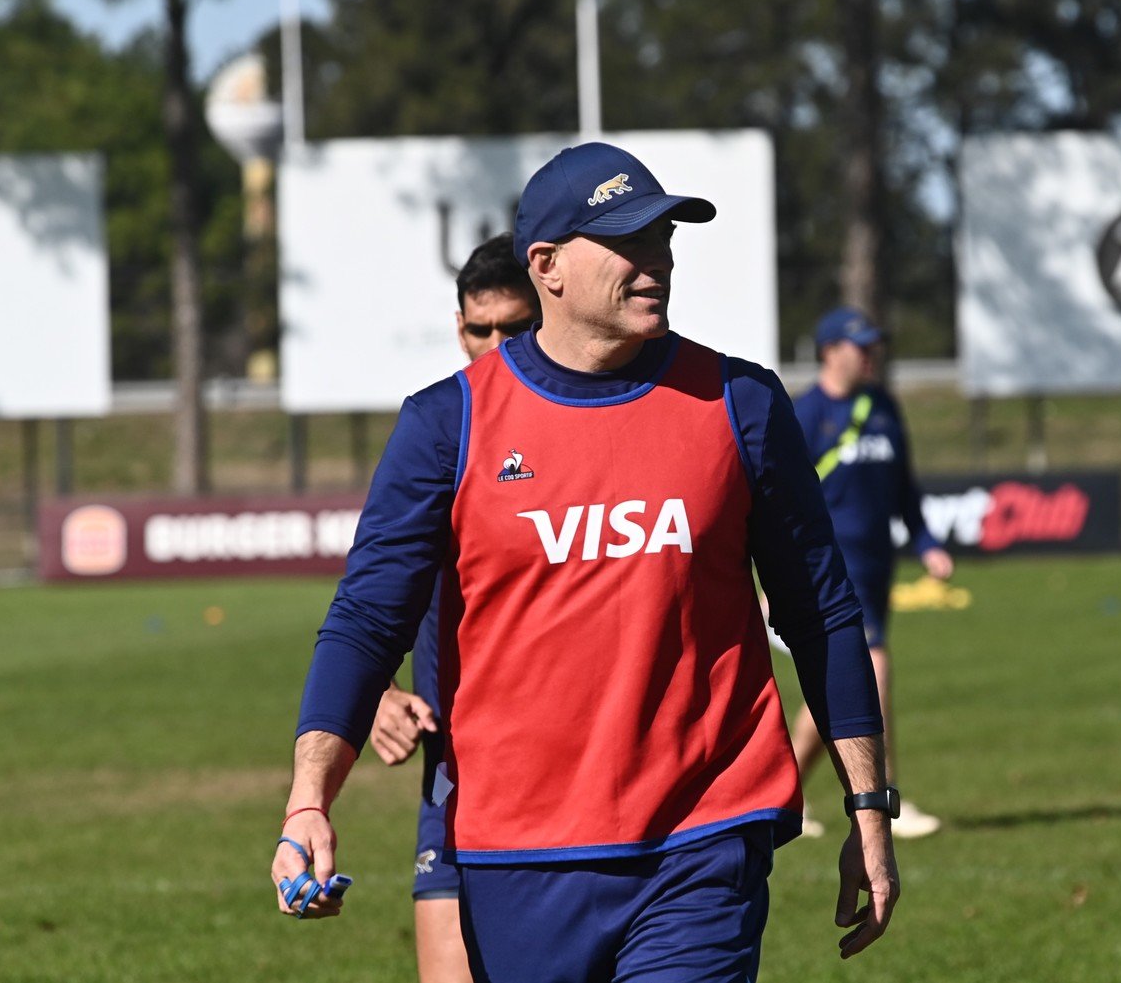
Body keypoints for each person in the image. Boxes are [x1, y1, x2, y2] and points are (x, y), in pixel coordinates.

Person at [270, 141, 901, 982]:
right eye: (628, 242)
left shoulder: (739, 404)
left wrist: (866, 802)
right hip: (516, 850)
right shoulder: (445, 426)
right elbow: (365, 619)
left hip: (704, 837)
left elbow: (819, 610)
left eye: (663, 238)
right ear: (548, 265)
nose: (657, 260)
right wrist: (310, 796)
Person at [367, 231, 540, 983]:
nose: (494, 345)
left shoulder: (605, 431)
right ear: (459, 327)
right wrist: (379, 691)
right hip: (462, 776)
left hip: (593, 776)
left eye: (515, 327)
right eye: (480, 329)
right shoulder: (443, 432)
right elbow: (373, 602)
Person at [788, 306, 954, 840]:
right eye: (861, 347)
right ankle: (884, 803)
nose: (870, 355)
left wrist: (926, 543)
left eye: (874, 347)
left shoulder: (882, 407)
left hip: (878, 569)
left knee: (838, 690)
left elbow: (904, 488)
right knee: (873, 674)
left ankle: (780, 791)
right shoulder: (805, 414)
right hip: (830, 570)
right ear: (828, 351)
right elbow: (782, 500)